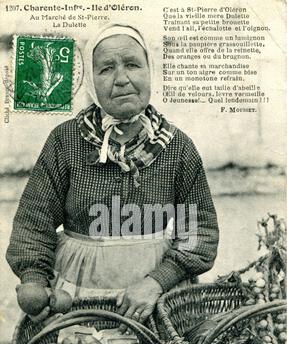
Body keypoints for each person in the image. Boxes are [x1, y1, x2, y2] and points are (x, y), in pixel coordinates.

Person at [6, 23, 219, 326]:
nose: (122, 79)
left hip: (156, 299)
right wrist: (35, 280)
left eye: (133, 64)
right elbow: (33, 223)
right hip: (78, 294)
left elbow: (200, 232)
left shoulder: (177, 146)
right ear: (91, 81)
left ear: (150, 70)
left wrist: (158, 282)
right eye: (106, 69)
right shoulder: (66, 141)